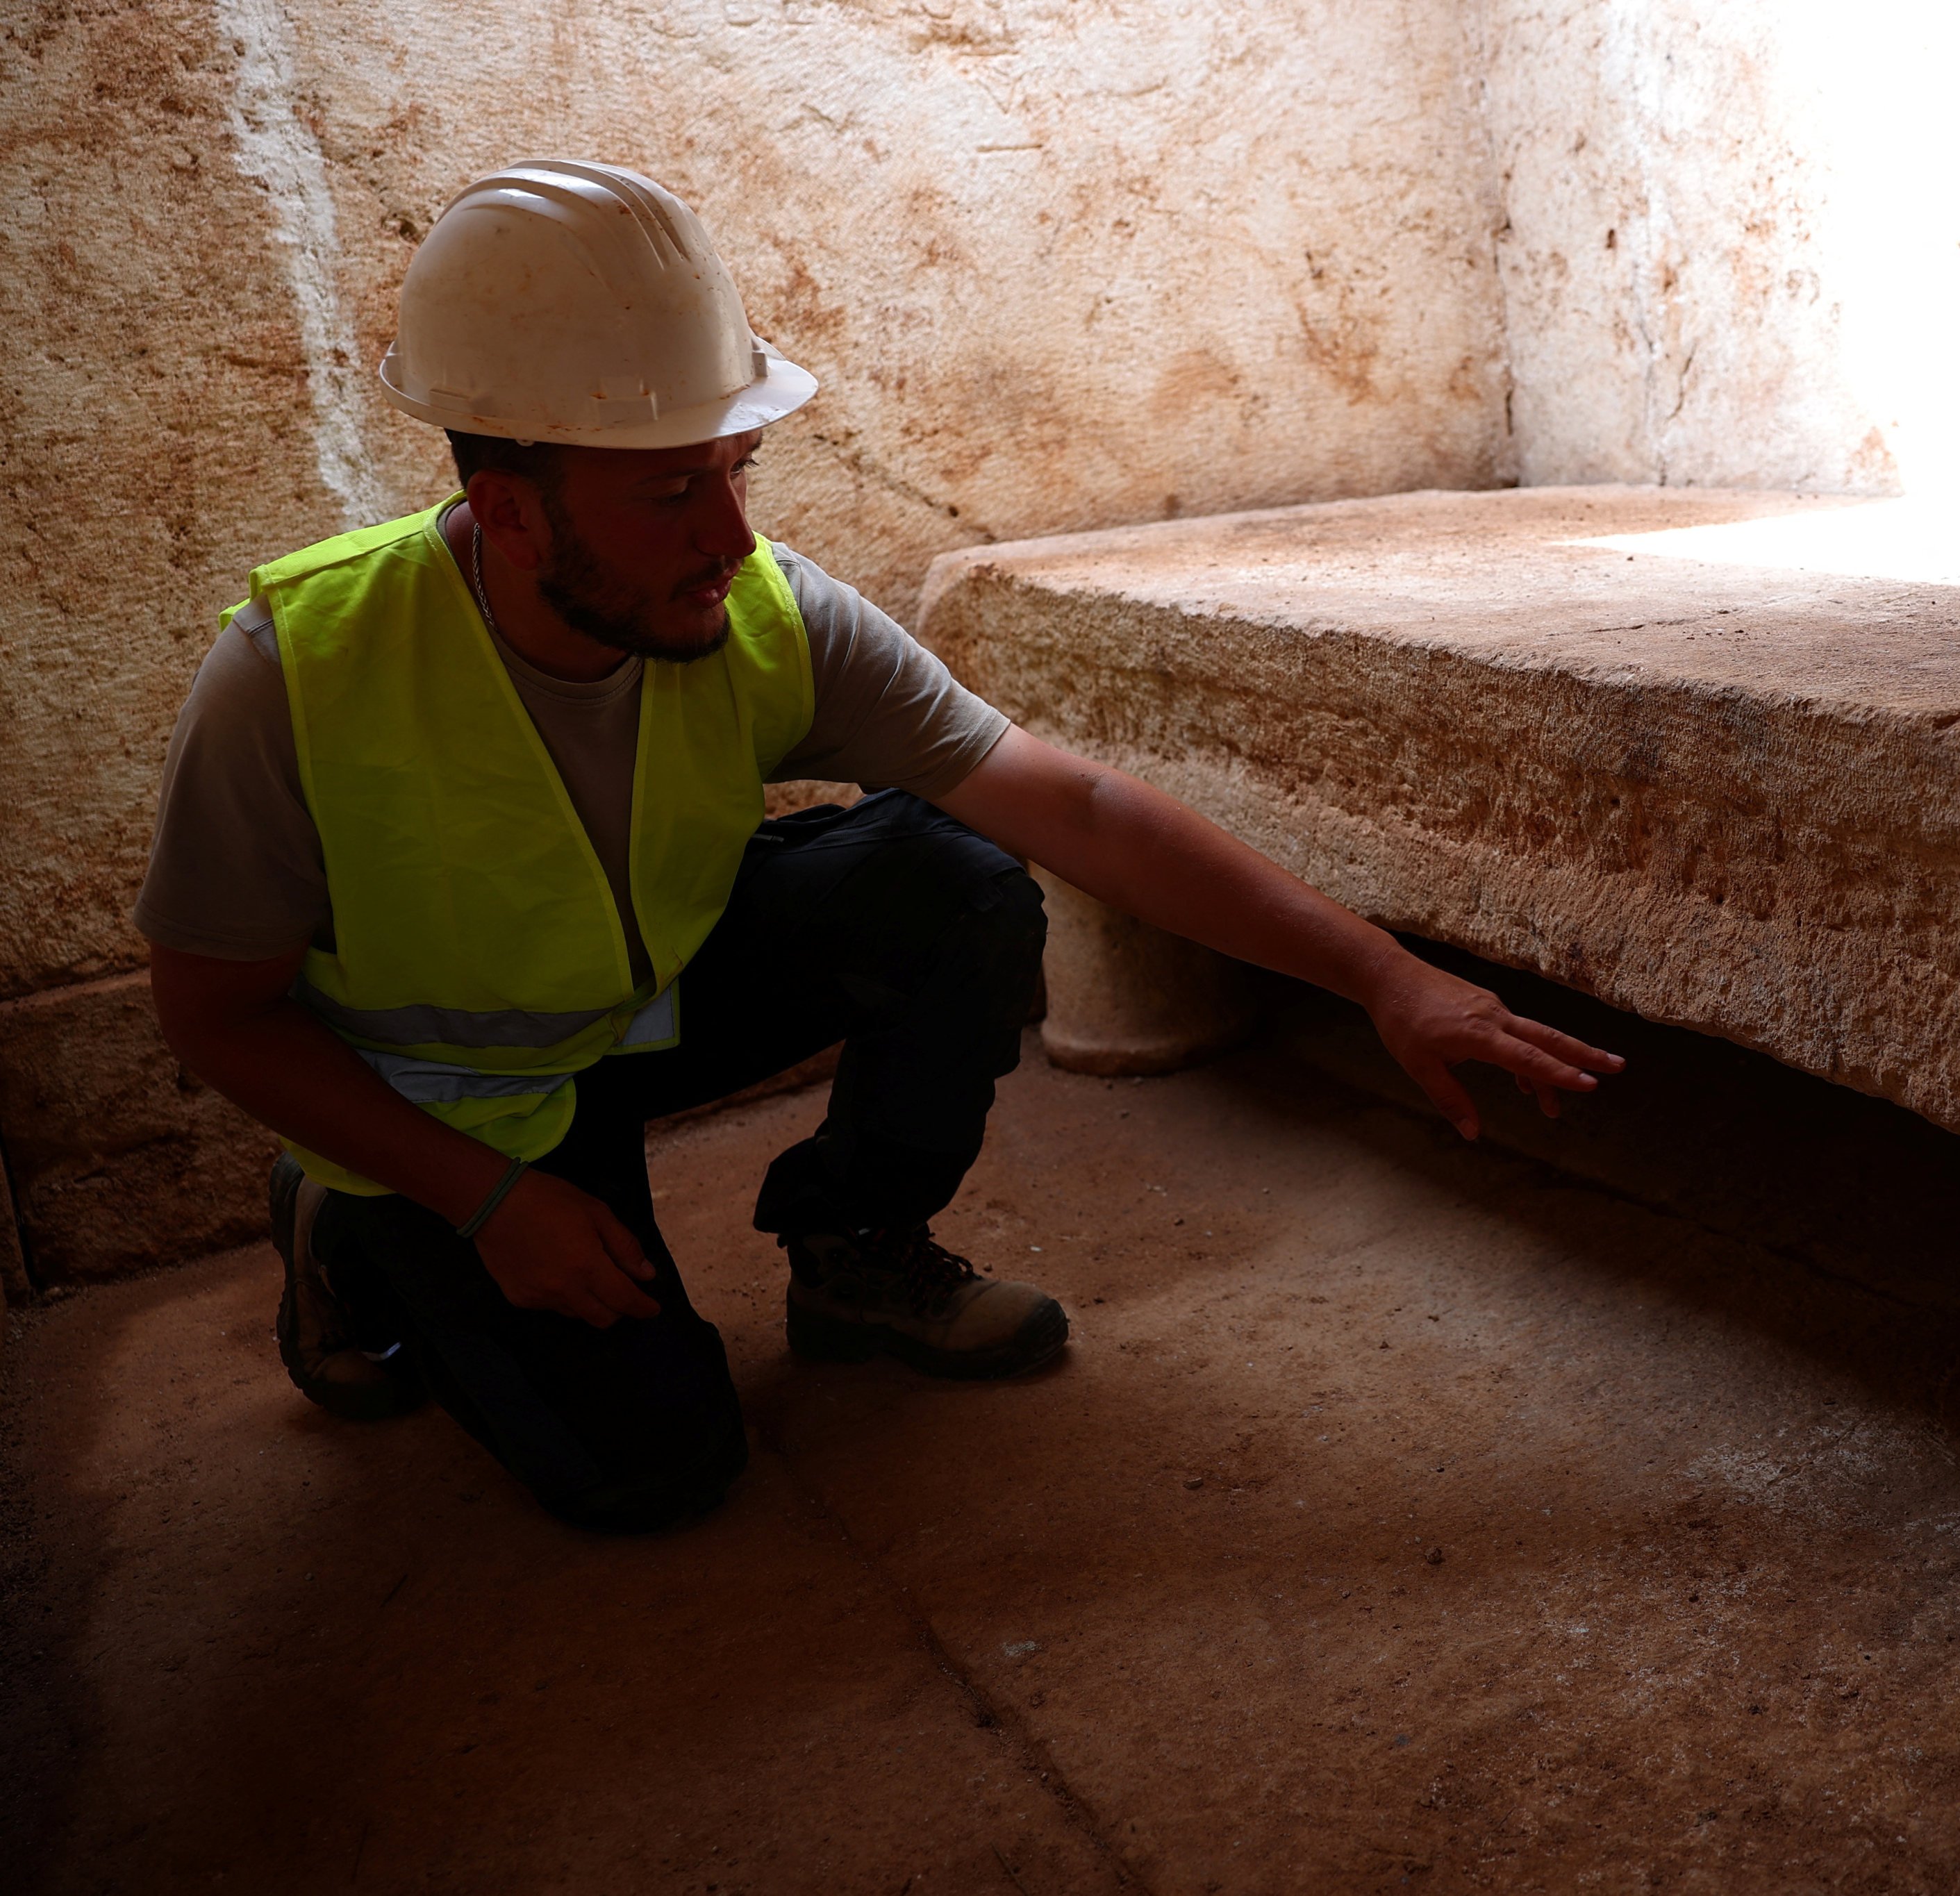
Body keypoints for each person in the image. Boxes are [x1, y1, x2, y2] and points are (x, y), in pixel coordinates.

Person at [138, 159, 1620, 1533]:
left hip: (637, 1007)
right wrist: (485, 1200)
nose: (729, 534)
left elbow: (1073, 807)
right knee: (653, 1478)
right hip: (457, 1114)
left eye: (735, 469)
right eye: (670, 492)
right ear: (507, 510)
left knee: (952, 882)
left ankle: (854, 1254)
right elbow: (216, 1014)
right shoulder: (299, 671)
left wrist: (1381, 978)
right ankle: (343, 1225)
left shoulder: (761, 611)